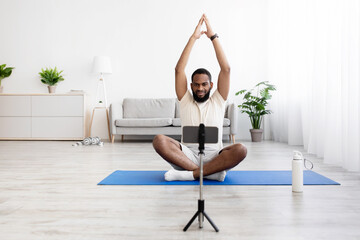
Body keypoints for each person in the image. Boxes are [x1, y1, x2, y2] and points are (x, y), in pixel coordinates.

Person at [153, 14, 247, 181]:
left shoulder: (219, 99)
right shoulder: (185, 99)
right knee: (159, 140)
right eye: (196, 85)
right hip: (187, 155)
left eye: (204, 84)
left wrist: (213, 37)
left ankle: (191, 175)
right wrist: (193, 38)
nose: (200, 88)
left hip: (214, 156)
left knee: (241, 150)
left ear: (211, 85)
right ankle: (208, 173)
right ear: (191, 86)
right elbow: (179, 70)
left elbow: (226, 69)